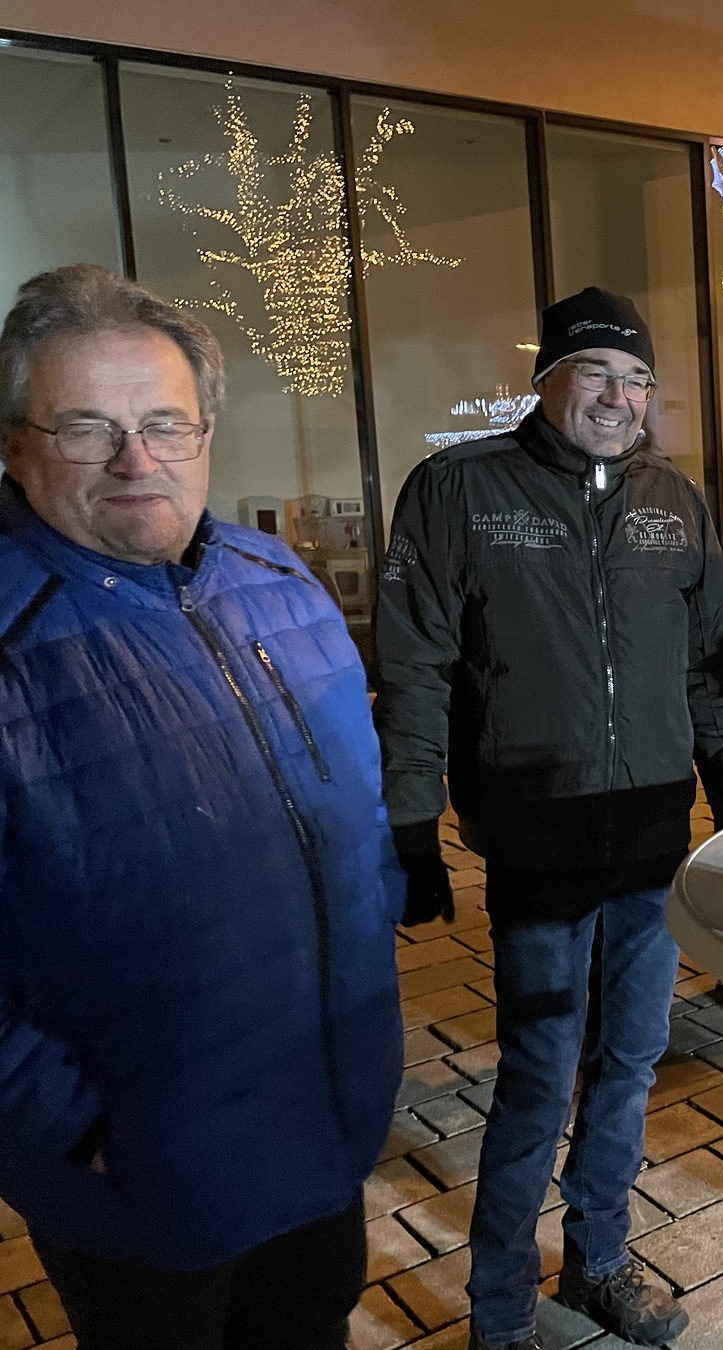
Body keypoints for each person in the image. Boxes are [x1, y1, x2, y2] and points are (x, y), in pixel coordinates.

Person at [0, 264, 402, 1349]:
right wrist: (68, 1132)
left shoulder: (282, 582)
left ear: (207, 433)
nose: (137, 459)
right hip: (141, 1179)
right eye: (87, 427)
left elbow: (357, 817)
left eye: (165, 424)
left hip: (320, 1122)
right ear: (15, 445)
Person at [375, 287, 723, 1350]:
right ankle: (500, 1310)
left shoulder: (674, 501)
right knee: (541, 1075)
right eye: (596, 372)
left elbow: (709, 670)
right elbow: (413, 672)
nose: (618, 397)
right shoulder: (461, 490)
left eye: (637, 379)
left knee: (631, 1060)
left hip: (651, 842)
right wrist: (410, 827)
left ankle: (598, 1260)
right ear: (546, 379)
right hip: (537, 842)